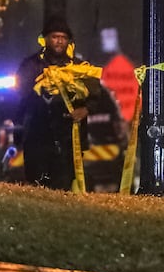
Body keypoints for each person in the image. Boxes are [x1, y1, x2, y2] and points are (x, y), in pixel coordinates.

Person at [15, 16, 101, 190]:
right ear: (45, 39)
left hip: (68, 139)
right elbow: (19, 95)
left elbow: (96, 96)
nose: (59, 41)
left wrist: (84, 110)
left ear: (69, 41)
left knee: (63, 187)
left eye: (63, 37)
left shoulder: (79, 67)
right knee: (36, 186)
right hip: (37, 136)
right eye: (55, 37)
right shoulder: (31, 64)